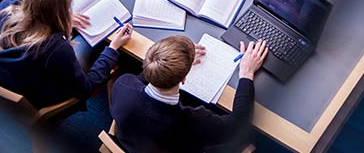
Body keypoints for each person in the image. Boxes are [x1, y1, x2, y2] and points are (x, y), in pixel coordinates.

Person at [0, 0, 133, 109]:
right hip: (36, 94)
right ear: (59, 14)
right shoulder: (56, 49)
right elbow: (86, 89)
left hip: (6, 73)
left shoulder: (5, 6)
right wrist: (113, 47)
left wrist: (59, 20)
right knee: (97, 44)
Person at [111, 35, 268, 152]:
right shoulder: (193, 121)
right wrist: (246, 73)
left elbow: (142, 78)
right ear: (184, 78)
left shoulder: (123, 84)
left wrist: (169, 62)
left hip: (133, 142)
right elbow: (238, 124)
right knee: (247, 134)